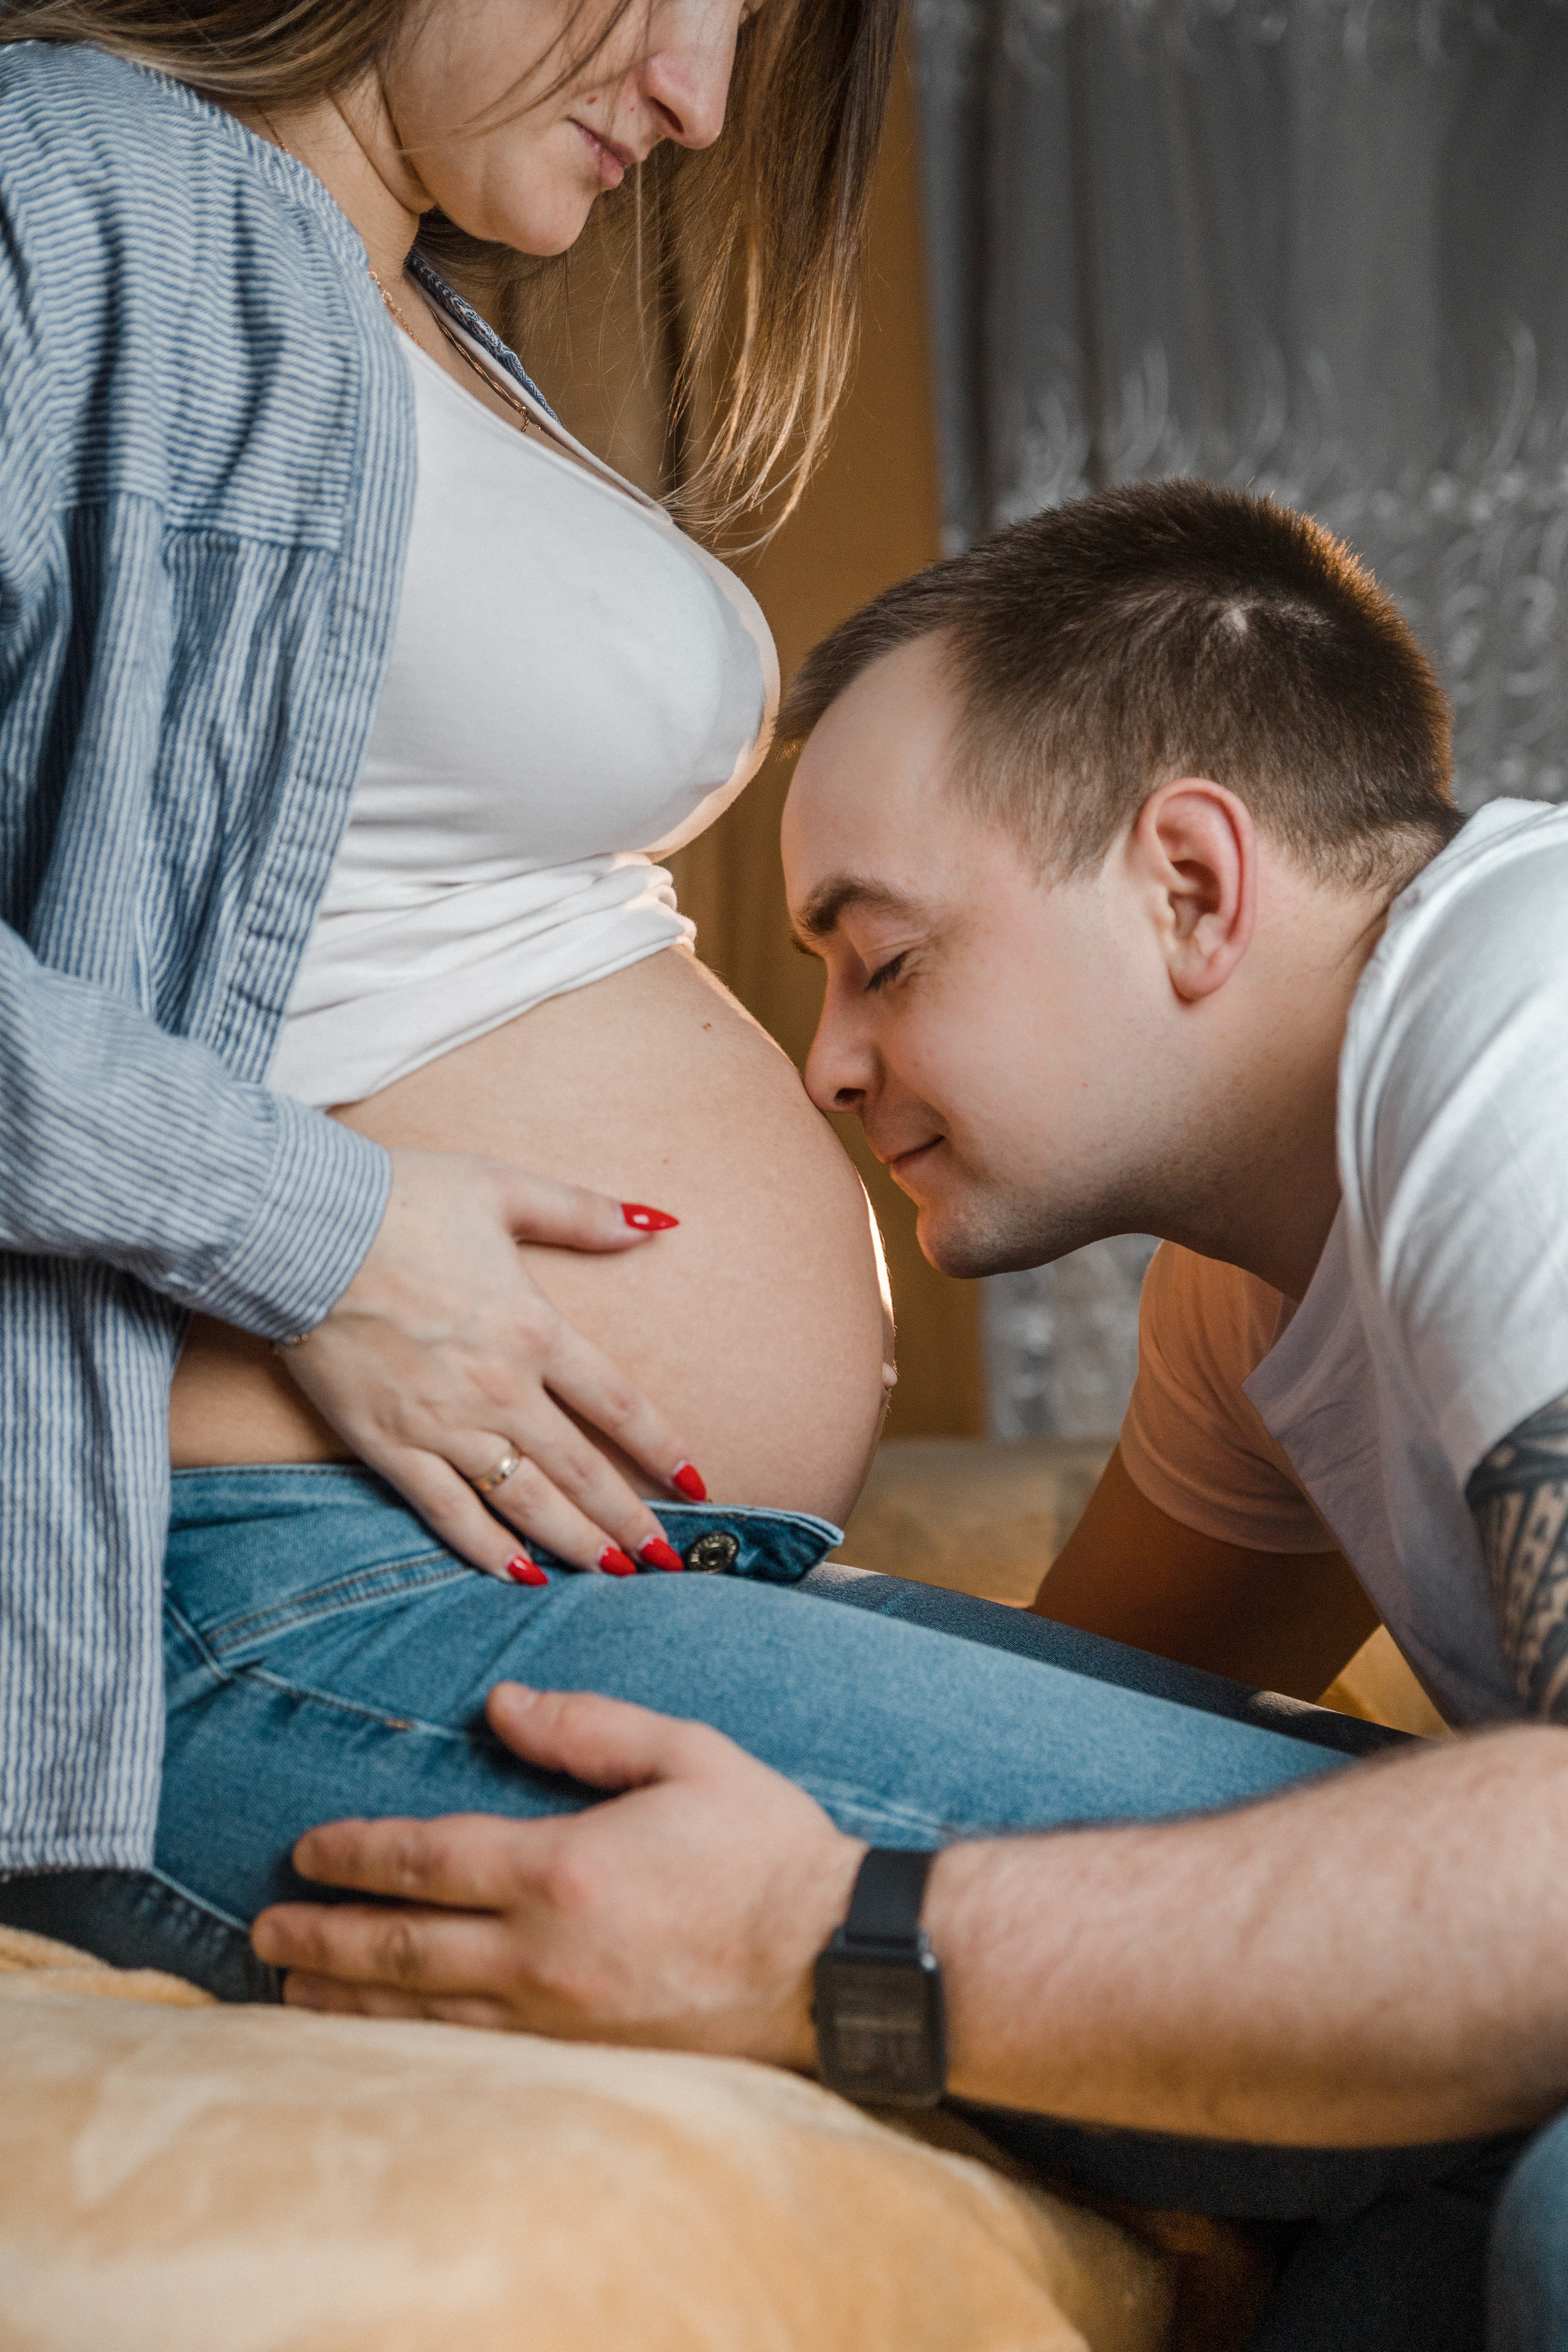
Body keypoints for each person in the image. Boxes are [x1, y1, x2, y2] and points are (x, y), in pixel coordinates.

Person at [0, 2, 1373, 2044]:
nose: (704, 100)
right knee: (1431, 1933)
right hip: (246, 1585)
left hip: (574, 1573)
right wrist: (324, 1237)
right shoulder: (66, 175)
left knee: (1438, 1872)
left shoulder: (420, 315)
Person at [253, 485, 1568, 2351]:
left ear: (1190, 885)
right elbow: (1064, 1740)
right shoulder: (1250, 1290)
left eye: (886, 954)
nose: (828, 1060)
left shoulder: (1524, 1026)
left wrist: (827, 1952)